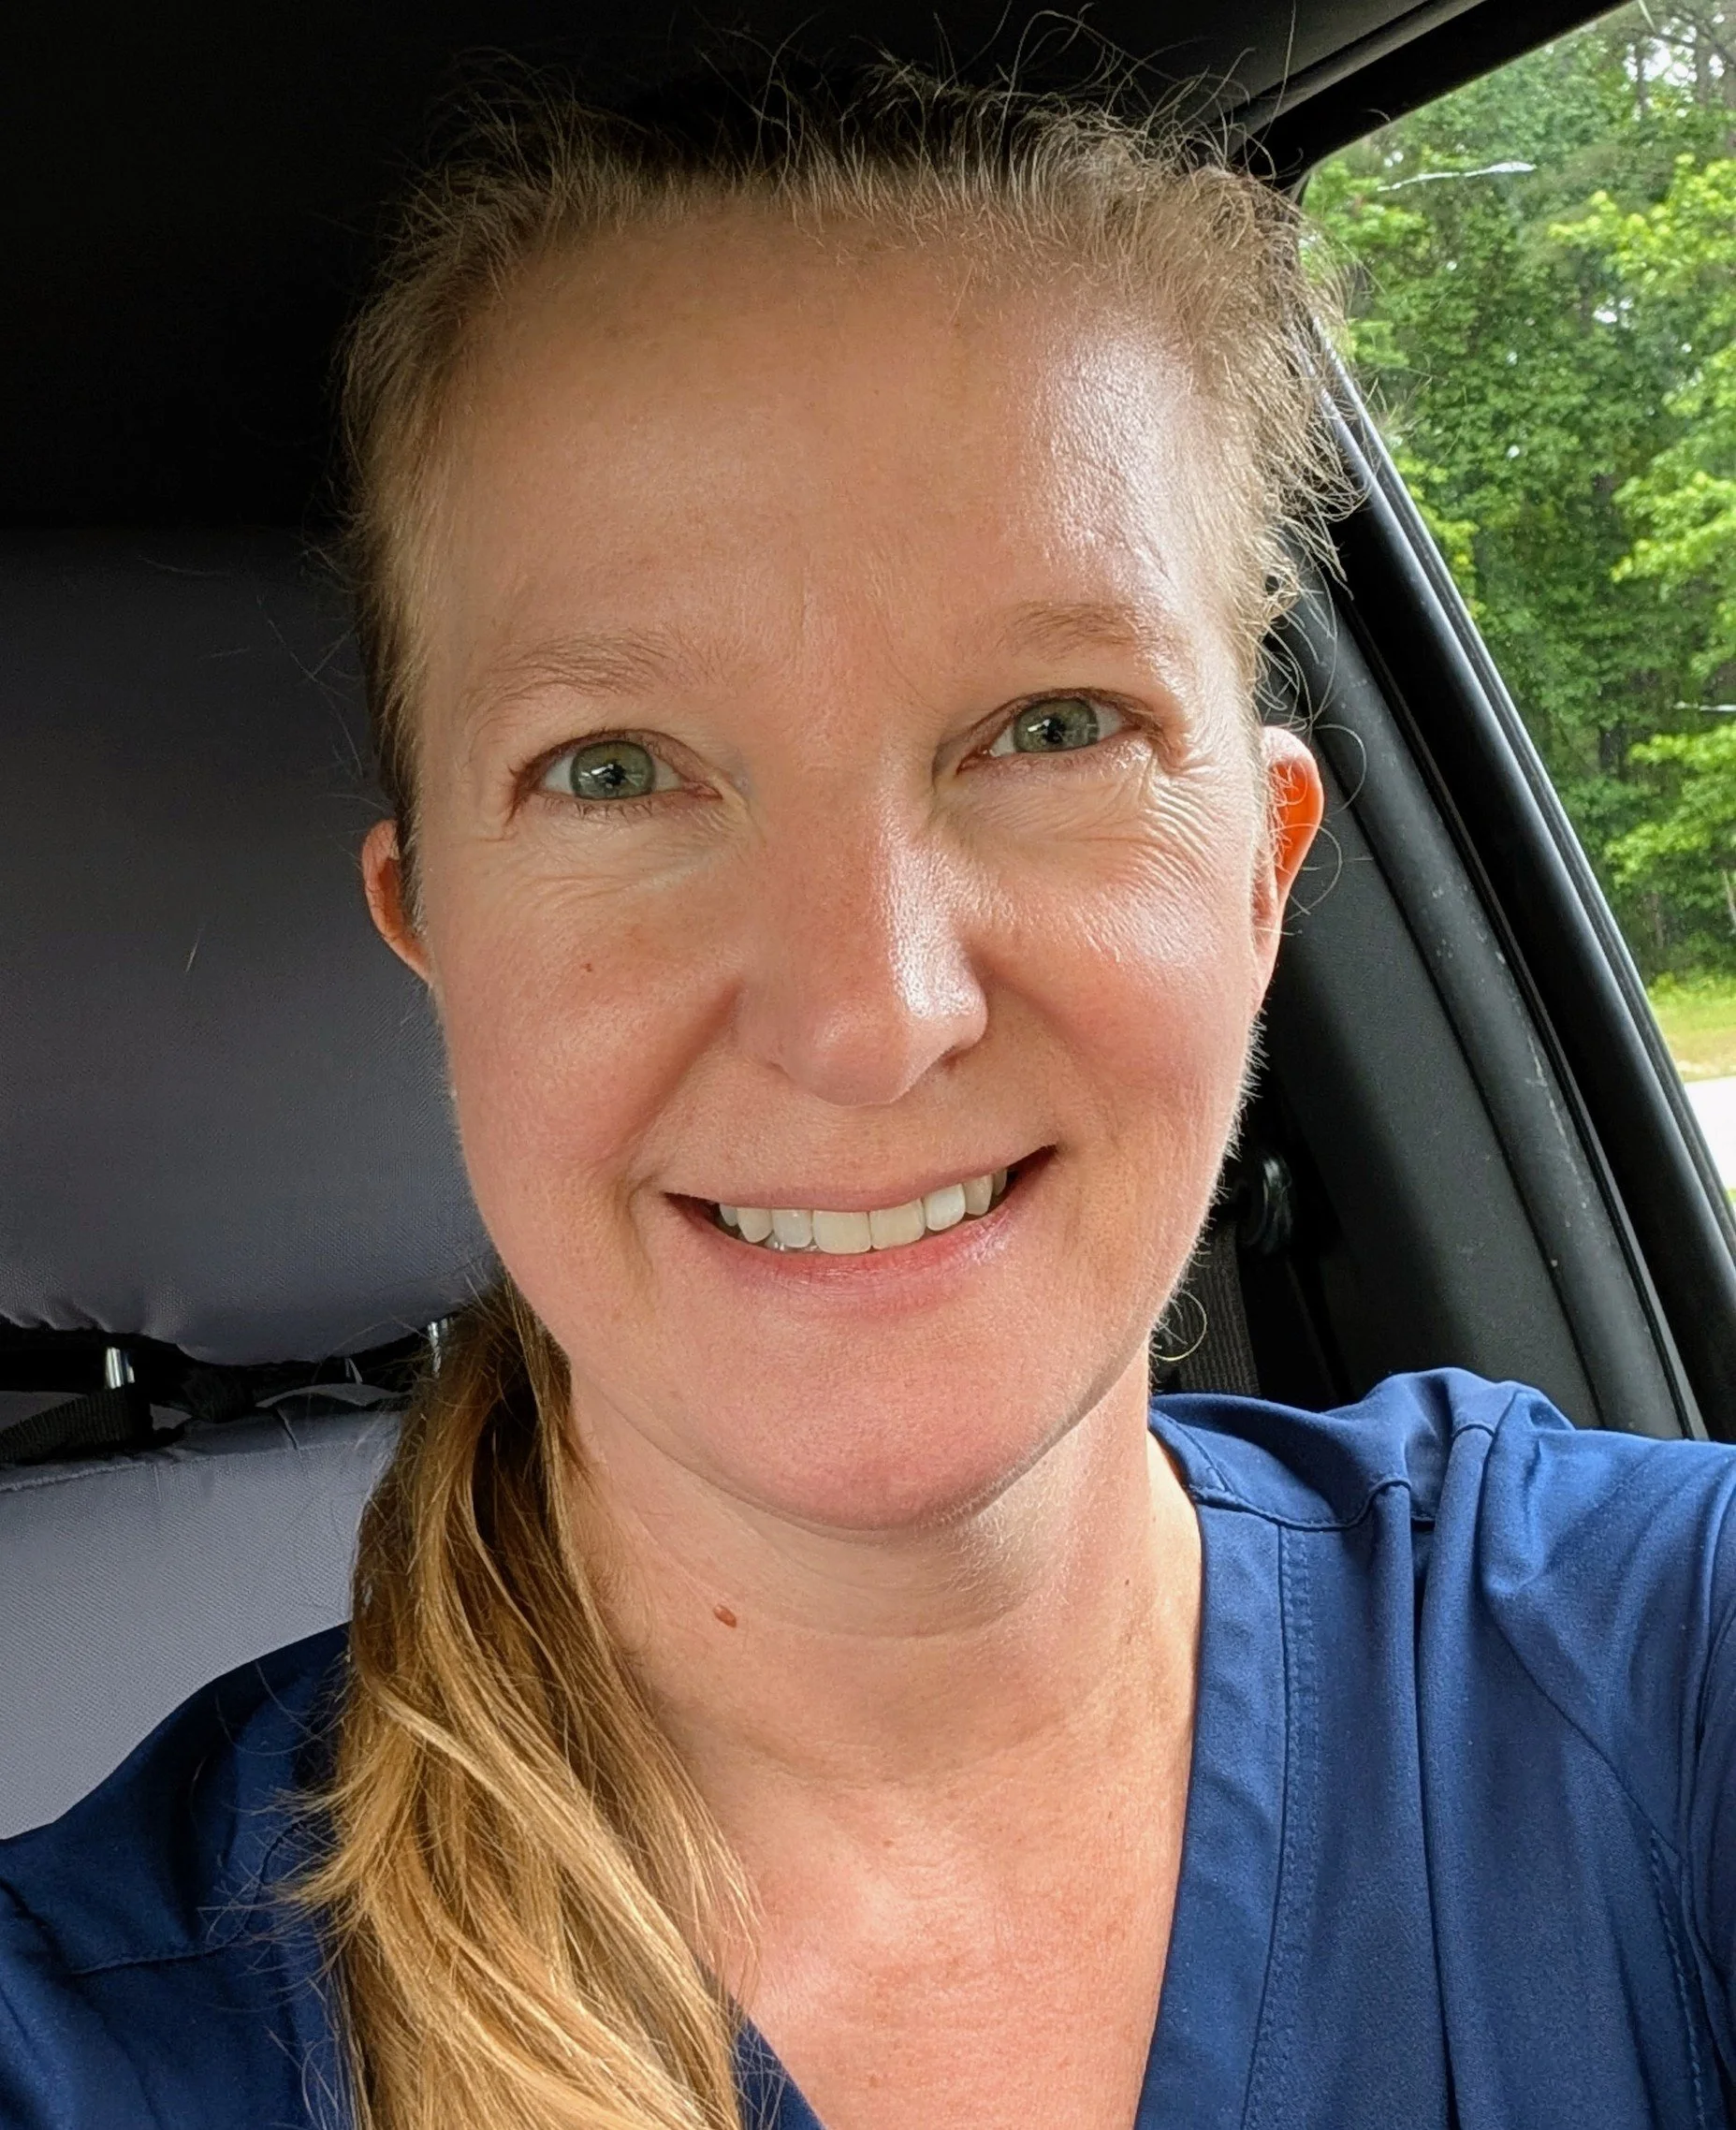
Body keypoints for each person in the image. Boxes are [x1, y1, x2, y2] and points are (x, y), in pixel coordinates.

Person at [4, 61, 1736, 2130]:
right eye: (621, 767)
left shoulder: (1660, 1681)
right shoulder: (95, 2037)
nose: (870, 1011)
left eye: (1054, 724)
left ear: (1262, 872)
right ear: (433, 930)